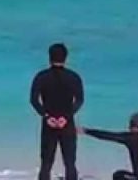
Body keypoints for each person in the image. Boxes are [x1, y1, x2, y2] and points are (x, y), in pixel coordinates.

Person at [30, 43, 84, 180]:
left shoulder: (41, 77)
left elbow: (34, 100)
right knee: (70, 163)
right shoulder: (74, 77)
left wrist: (46, 116)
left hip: (49, 124)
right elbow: (79, 100)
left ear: (49, 57)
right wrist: (66, 117)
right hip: (67, 124)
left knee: (46, 164)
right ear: (66, 58)